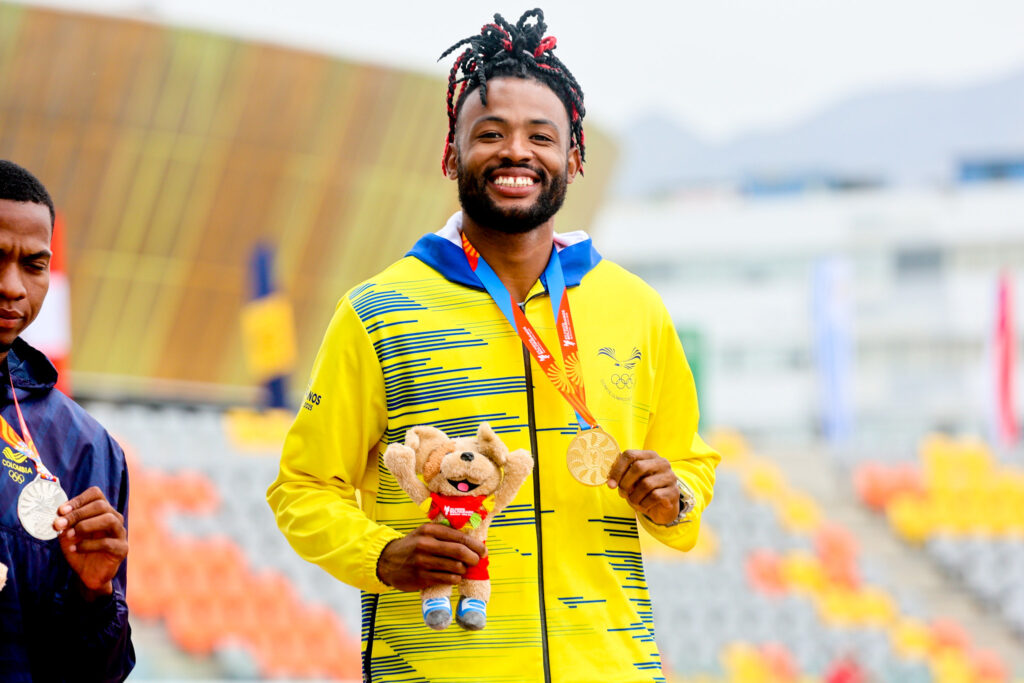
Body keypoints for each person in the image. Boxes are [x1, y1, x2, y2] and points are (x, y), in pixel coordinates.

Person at [268, 9, 719, 682]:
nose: (516, 152)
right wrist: (380, 554)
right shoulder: (377, 312)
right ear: (452, 154)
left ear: (574, 158)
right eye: (490, 134)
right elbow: (302, 487)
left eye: (541, 135)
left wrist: (673, 498)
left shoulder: (636, 309)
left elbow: (689, 464)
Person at [0, 160, 134, 681]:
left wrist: (93, 594)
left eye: (33, 265)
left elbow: (99, 675)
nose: (12, 286)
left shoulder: (86, 448)